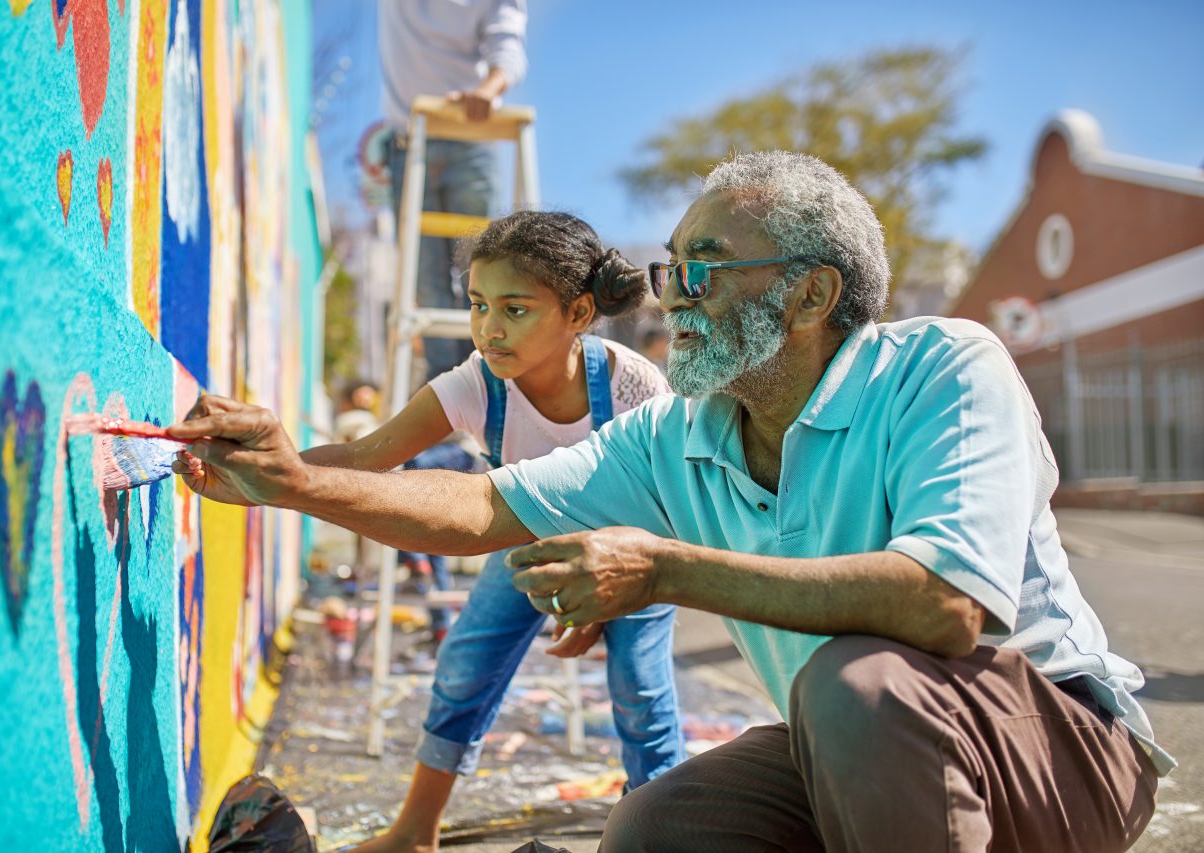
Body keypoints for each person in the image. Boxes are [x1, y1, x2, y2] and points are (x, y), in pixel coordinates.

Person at [169, 151, 1172, 853]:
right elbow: (482, 507)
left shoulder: (941, 367)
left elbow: (940, 604)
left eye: (699, 269)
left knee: (852, 683)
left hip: (1063, 752)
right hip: (859, 751)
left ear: (812, 295)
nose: (671, 297)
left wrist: (660, 568)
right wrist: (295, 483)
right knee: (656, 826)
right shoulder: (677, 432)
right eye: (666, 270)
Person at [303, 210, 682, 851]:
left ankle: (661, 838)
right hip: (527, 539)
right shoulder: (478, 384)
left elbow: (665, 503)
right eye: (479, 305)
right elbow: (369, 457)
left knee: (641, 694)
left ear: (579, 314)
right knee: (464, 666)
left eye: (515, 309)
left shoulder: (631, 385)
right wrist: (274, 469)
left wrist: (595, 601)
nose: (489, 329)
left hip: (637, 548)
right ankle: (416, 830)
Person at [379, 0, 528, 380]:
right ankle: (445, 387)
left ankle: (481, 378)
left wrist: (488, 90)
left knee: (478, 272)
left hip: (469, 140)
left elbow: (507, 47)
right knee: (426, 281)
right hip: (409, 143)